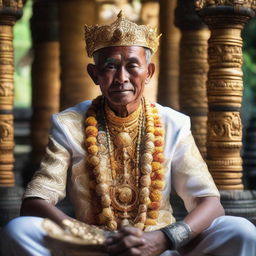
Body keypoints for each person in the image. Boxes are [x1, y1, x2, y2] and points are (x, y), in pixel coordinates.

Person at [1, 11, 256, 256]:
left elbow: (210, 205)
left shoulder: (173, 123)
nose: (121, 77)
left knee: (240, 231)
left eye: (132, 66)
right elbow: (34, 203)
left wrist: (163, 238)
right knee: (19, 230)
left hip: (159, 247)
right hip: (92, 247)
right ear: (95, 74)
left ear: (149, 73)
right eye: (110, 66)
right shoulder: (69, 124)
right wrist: (100, 240)